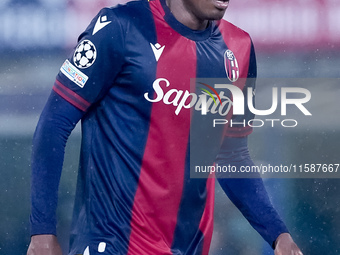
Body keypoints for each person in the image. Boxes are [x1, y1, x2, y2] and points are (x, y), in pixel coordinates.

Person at [27, 0, 303, 254]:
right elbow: (55, 124)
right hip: (112, 242)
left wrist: (278, 234)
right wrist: (42, 232)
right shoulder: (121, 27)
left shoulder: (238, 48)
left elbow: (231, 156)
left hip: (189, 247)